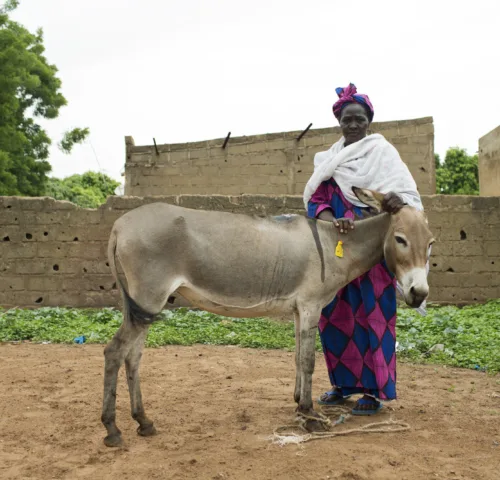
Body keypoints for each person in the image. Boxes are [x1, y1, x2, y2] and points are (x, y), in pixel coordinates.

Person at [303, 83, 423, 415]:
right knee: (335, 317)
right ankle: (342, 386)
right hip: (340, 253)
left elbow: (407, 201)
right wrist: (333, 220)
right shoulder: (330, 161)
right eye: (346, 120)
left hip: (373, 257)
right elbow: (317, 199)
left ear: (369, 120)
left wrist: (397, 201)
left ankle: (375, 391)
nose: (353, 125)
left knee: (375, 317)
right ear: (339, 122)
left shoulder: (383, 155)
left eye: (359, 119)